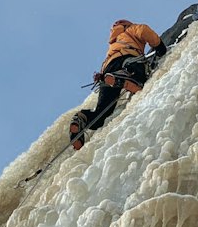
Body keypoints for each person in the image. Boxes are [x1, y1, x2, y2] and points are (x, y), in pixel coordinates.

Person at [70, 19, 167, 148]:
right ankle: (124, 76)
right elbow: (144, 30)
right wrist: (160, 46)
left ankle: (82, 118)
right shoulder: (129, 29)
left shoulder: (113, 44)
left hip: (107, 70)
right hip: (126, 60)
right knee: (139, 75)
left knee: (103, 113)